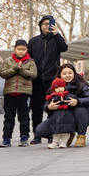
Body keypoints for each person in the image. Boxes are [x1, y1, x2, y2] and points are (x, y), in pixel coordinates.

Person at [27, 15, 68, 144]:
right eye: (44, 24)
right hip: (37, 79)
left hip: (52, 79)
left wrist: (57, 34)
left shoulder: (57, 39)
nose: (46, 26)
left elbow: (64, 48)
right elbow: (28, 58)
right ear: (40, 26)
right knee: (36, 108)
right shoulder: (34, 41)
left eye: (49, 23)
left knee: (53, 107)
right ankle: (37, 134)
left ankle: (52, 133)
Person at [0, 39, 37, 147]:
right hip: (9, 93)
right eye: (19, 49)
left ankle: (24, 137)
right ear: (14, 49)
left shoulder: (30, 62)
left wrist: (22, 70)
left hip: (24, 93)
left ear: (27, 50)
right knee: (9, 117)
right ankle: (6, 138)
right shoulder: (8, 60)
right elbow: (2, 73)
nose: (21, 51)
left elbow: (34, 75)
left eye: (23, 49)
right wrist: (15, 68)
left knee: (24, 117)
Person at [58, 62, 89, 147]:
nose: (67, 75)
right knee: (41, 130)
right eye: (64, 73)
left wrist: (78, 101)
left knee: (80, 109)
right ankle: (66, 134)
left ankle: (81, 136)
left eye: (70, 73)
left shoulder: (82, 85)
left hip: (80, 116)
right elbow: (46, 103)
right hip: (63, 116)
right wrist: (49, 106)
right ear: (60, 75)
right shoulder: (55, 86)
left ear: (74, 74)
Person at [43, 77, 75, 150]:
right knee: (55, 131)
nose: (59, 89)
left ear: (64, 87)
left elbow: (73, 100)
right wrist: (49, 106)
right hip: (55, 117)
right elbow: (45, 105)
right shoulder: (51, 97)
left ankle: (64, 142)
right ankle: (55, 142)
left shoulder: (68, 95)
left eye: (61, 87)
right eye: (56, 88)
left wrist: (68, 100)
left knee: (66, 131)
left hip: (67, 116)